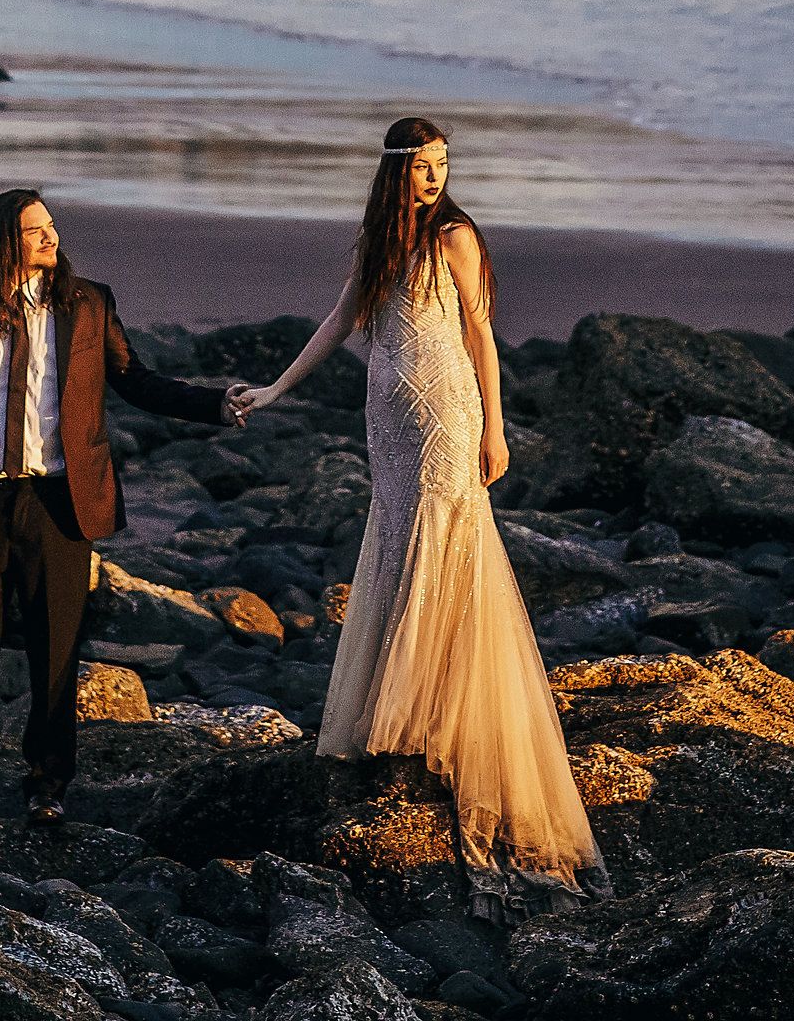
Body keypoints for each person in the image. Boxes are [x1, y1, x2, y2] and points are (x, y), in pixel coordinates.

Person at [232, 119, 602, 903]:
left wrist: (496, 429)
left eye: (443, 164)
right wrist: (274, 390)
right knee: (400, 541)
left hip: (445, 410)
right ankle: (399, 709)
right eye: (423, 166)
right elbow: (341, 322)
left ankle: (437, 716)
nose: (435, 177)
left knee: (445, 540)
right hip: (389, 416)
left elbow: (480, 334)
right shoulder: (375, 239)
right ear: (397, 170)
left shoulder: (456, 235)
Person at [0, 187, 239, 822]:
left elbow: (135, 379)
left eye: (51, 227)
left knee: (56, 654)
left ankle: (48, 787)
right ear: (5, 241)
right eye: (34, 231)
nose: (51, 237)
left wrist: (216, 404)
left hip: (59, 502)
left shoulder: (88, 303)